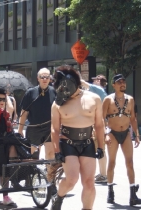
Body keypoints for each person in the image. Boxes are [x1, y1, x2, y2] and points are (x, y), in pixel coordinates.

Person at [51, 65, 104, 210]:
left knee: (89, 182)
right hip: (68, 143)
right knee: (71, 180)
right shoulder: (58, 103)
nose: (65, 89)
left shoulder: (94, 98)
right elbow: (55, 129)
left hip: (87, 142)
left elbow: (99, 125)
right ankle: (59, 196)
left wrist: (101, 146)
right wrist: (57, 151)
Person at [102, 74, 141, 206]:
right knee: (112, 163)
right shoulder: (108, 100)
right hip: (112, 133)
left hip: (125, 134)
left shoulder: (130, 99)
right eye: (119, 82)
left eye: (123, 81)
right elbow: (102, 119)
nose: (122, 84)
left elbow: (133, 118)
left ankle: (132, 195)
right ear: (114, 85)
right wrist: (105, 134)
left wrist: (136, 134)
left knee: (129, 162)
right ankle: (110, 191)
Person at [81, 74, 108, 183]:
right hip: (99, 123)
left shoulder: (98, 89)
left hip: (98, 124)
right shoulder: (101, 92)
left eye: (95, 79)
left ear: (99, 81)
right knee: (99, 147)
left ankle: (103, 175)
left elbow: (84, 83)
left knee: (100, 147)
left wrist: (76, 76)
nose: (93, 82)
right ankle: (102, 173)